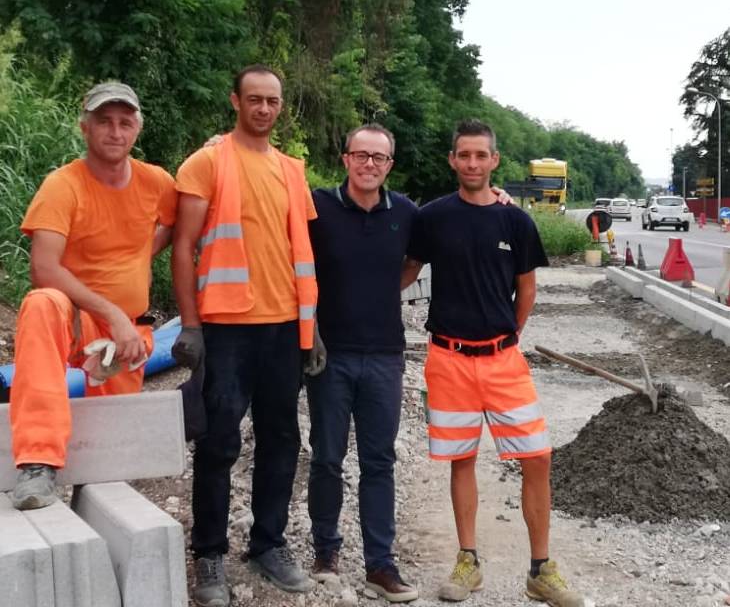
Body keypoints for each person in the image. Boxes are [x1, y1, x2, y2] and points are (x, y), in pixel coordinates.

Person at [402, 119, 584, 607]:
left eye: (481, 155)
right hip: (448, 358)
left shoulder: (515, 221)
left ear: (494, 160)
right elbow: (407, 271)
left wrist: (510, 335)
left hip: (503, 360)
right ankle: (468, 561)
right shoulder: (432, 217)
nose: (472, 163)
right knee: (462, 459)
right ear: (452, 160)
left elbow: (527, 289)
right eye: (464, 155)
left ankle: (541, 570)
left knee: (537, 457)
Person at [172, 64, 318, 607]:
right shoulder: (208, 162)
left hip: (284, 328)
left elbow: (300, 249)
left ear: (281, 106)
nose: (263, 109)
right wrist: (191, 325)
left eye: (272, 101)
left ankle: (268, 545)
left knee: (282, 439)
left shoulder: (292, 171)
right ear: (235, 101)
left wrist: (313, 329)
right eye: (254, 99)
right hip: (228, 328)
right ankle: (209, 553)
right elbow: (182, 247)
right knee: (218, 443)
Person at [10, 81, 177, 510]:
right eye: (104, 122)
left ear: (137, 129)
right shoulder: (63, 185)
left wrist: (141, 255)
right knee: (40, 303)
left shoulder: (156, 182)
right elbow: (43, 268)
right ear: (85, 127)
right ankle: (37, 461)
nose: (115, 132)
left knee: (111, 464)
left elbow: (182, 217)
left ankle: (96, 510)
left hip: (126, 335)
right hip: (75, 319)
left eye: (124, 123)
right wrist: (110, 313)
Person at [306, 124, 420, 604]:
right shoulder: (317, 207)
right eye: (361, 155)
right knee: (326, 457)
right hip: (329, 355)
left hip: (385, 356)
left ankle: (380, 564)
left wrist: (499, 197)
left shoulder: (407, 213)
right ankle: (325, 550)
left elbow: (415, 261)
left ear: (390, 164)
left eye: (379, 157)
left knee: (379, 461)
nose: (369, 164)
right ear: (346, 159)